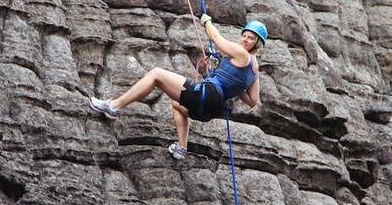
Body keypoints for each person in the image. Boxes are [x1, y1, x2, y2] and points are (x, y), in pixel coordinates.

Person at [89, 15, 267, 160]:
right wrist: (235, 84)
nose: (245, 39)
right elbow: (252, 101)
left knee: (157, 74)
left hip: (208, 95)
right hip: (212, 108)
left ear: (257, 43)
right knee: (177, 104)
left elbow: (216, 38)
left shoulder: (243, 55)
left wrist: (207, 22)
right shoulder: (255, 71)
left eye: (251, 38)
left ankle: (113, 107)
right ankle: (181, 148)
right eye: (244, 35)